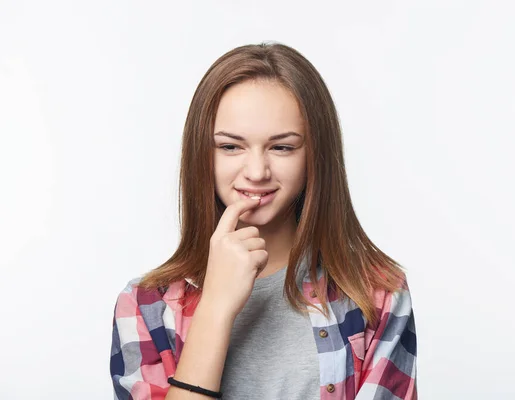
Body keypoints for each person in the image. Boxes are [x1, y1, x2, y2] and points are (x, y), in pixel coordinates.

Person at [110, 42, 417, 400]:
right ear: (202, 154)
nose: (256, 171)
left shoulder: (378, 294)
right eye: (230, 146)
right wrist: (215, 308)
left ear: (314, 155)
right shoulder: (145, 306)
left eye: (282, 147)